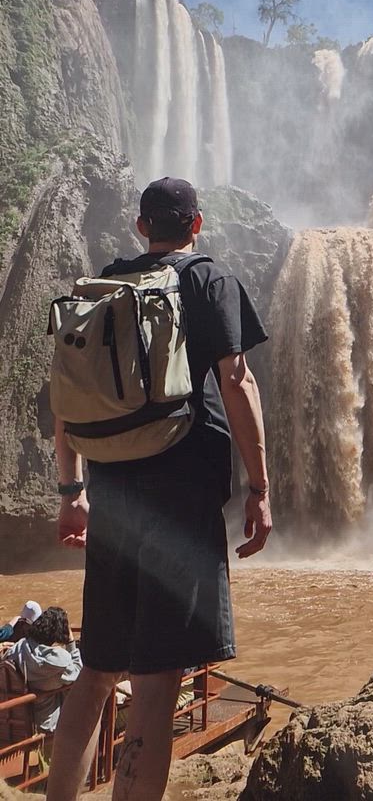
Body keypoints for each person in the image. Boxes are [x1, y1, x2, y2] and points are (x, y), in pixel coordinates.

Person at [47, 177, 272, 801]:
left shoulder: (105, 285)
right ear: (196, 224)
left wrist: (72, 490)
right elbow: (237, 379)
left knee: (95, 669)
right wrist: (260, 487)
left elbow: (66, 396)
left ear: (142, 227)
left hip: (112, 493)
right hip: (183, 495)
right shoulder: (209, 280)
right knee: (156, 677)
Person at [2, 606, 81, 732]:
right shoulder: (58, 662)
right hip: (48, 723)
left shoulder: (17, 649)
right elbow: (78, 673)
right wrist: (70, 642)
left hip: (16, 721)